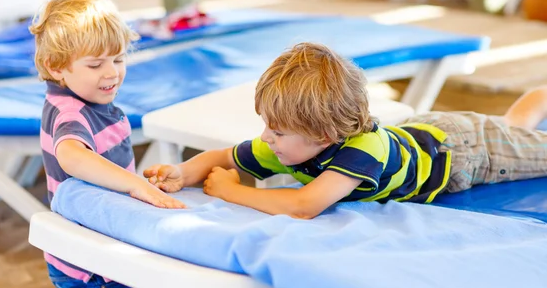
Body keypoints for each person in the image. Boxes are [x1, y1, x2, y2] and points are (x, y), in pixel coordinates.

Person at [0, 0, 185, 288]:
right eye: (95, 64)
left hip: (92, 251)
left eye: (119, 59)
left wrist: (140, 179)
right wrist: (134, 186)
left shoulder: (77, 97)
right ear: (56, 67)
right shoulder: (72, 113)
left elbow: (106, 161)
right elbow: (72, 156)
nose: (111, 73)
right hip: (91, 263)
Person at [144, 42, 547, 220]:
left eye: (278, 131)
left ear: (323, 136)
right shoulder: (296, 143)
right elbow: (224, 157)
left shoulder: (361, 152)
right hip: (422, 131)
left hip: (469, 152)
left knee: (518, 136)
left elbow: (305, 205)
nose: (266, 138)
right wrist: (184, 172)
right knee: (513, 125)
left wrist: (233, 191)